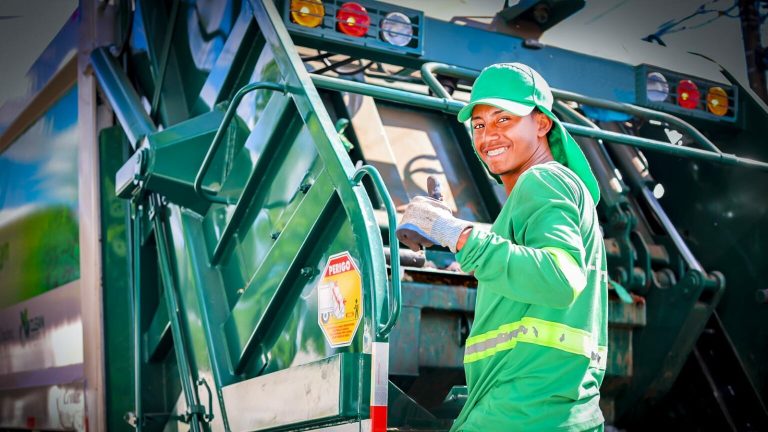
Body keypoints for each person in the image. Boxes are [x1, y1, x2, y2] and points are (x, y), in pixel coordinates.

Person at [396, 63, 608, 431]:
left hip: (522, 411)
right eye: (479, 125)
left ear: (542, 124)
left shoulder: (543, 179)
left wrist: (454, 233)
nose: (487, 135)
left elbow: (559, 279)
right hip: (542, 410)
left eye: (504, 119)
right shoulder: (548, 191)